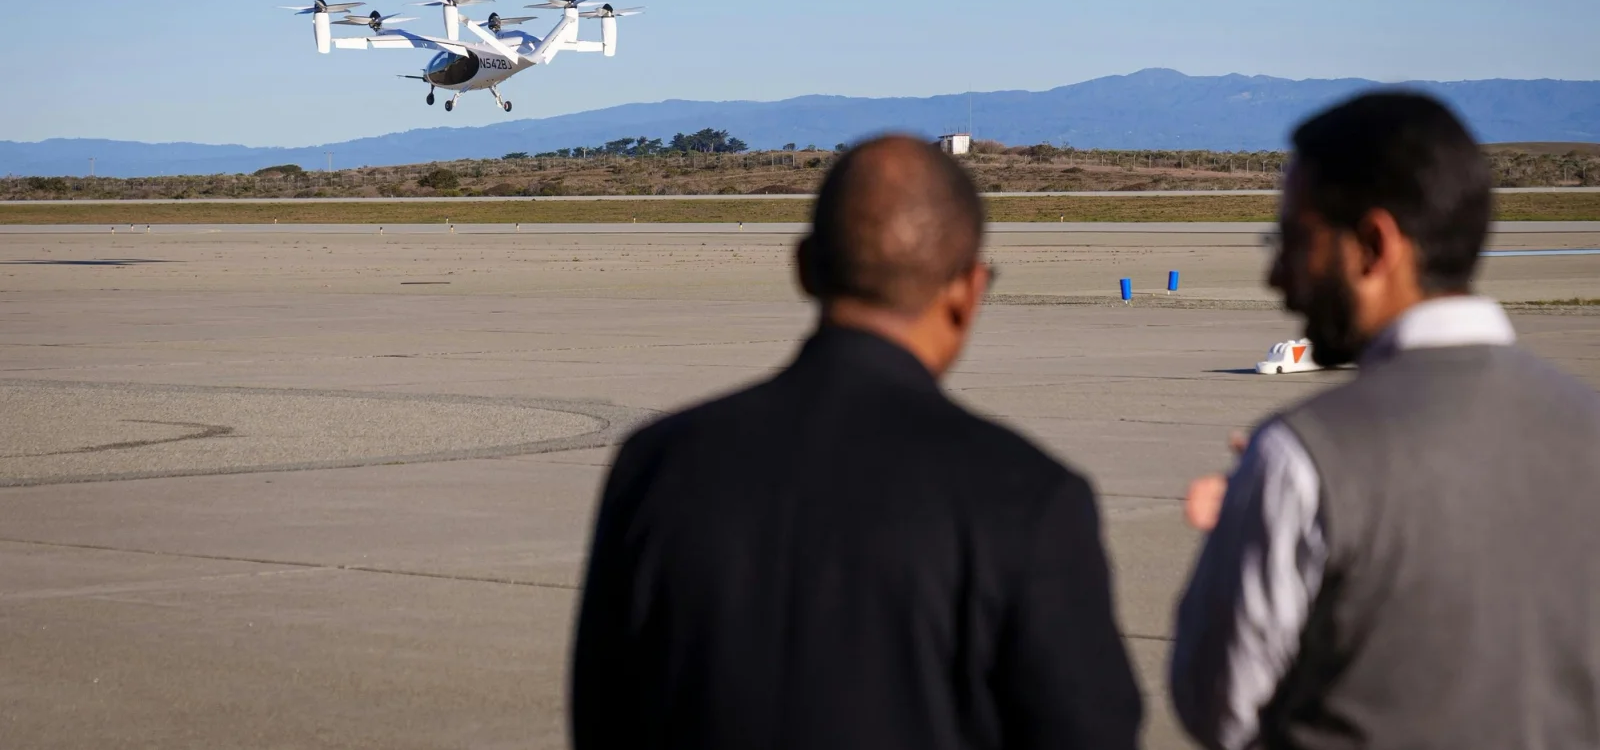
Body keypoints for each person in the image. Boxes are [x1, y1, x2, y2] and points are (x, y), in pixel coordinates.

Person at [572, 135, 1143, 750]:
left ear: (804, 268)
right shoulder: (1030, 497)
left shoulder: (656, 465)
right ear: (969, 290)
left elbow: (602, 717)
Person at [1169, 92, 1600, 750]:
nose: (1277, 274)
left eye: (1293, 240)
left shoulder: (1305, 457)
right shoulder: (1586, 424)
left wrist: (1249, 517)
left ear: (1373, 245)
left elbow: (1217, 705)